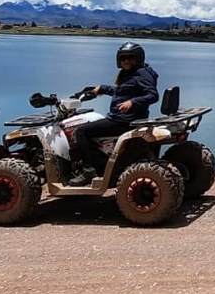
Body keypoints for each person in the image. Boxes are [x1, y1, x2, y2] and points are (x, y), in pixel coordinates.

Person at [67, 42, 159, 186]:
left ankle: (88, 170)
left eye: (130, 58)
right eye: (124, 58)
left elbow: (153, 95)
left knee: (80, 132)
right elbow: (123, 91)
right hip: (123, 119)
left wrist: (133, 102)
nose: (126, 61)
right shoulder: (131, 74)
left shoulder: (141, 73)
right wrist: (101, 89)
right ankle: (101, 164)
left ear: (138, 58)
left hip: (122, 121)